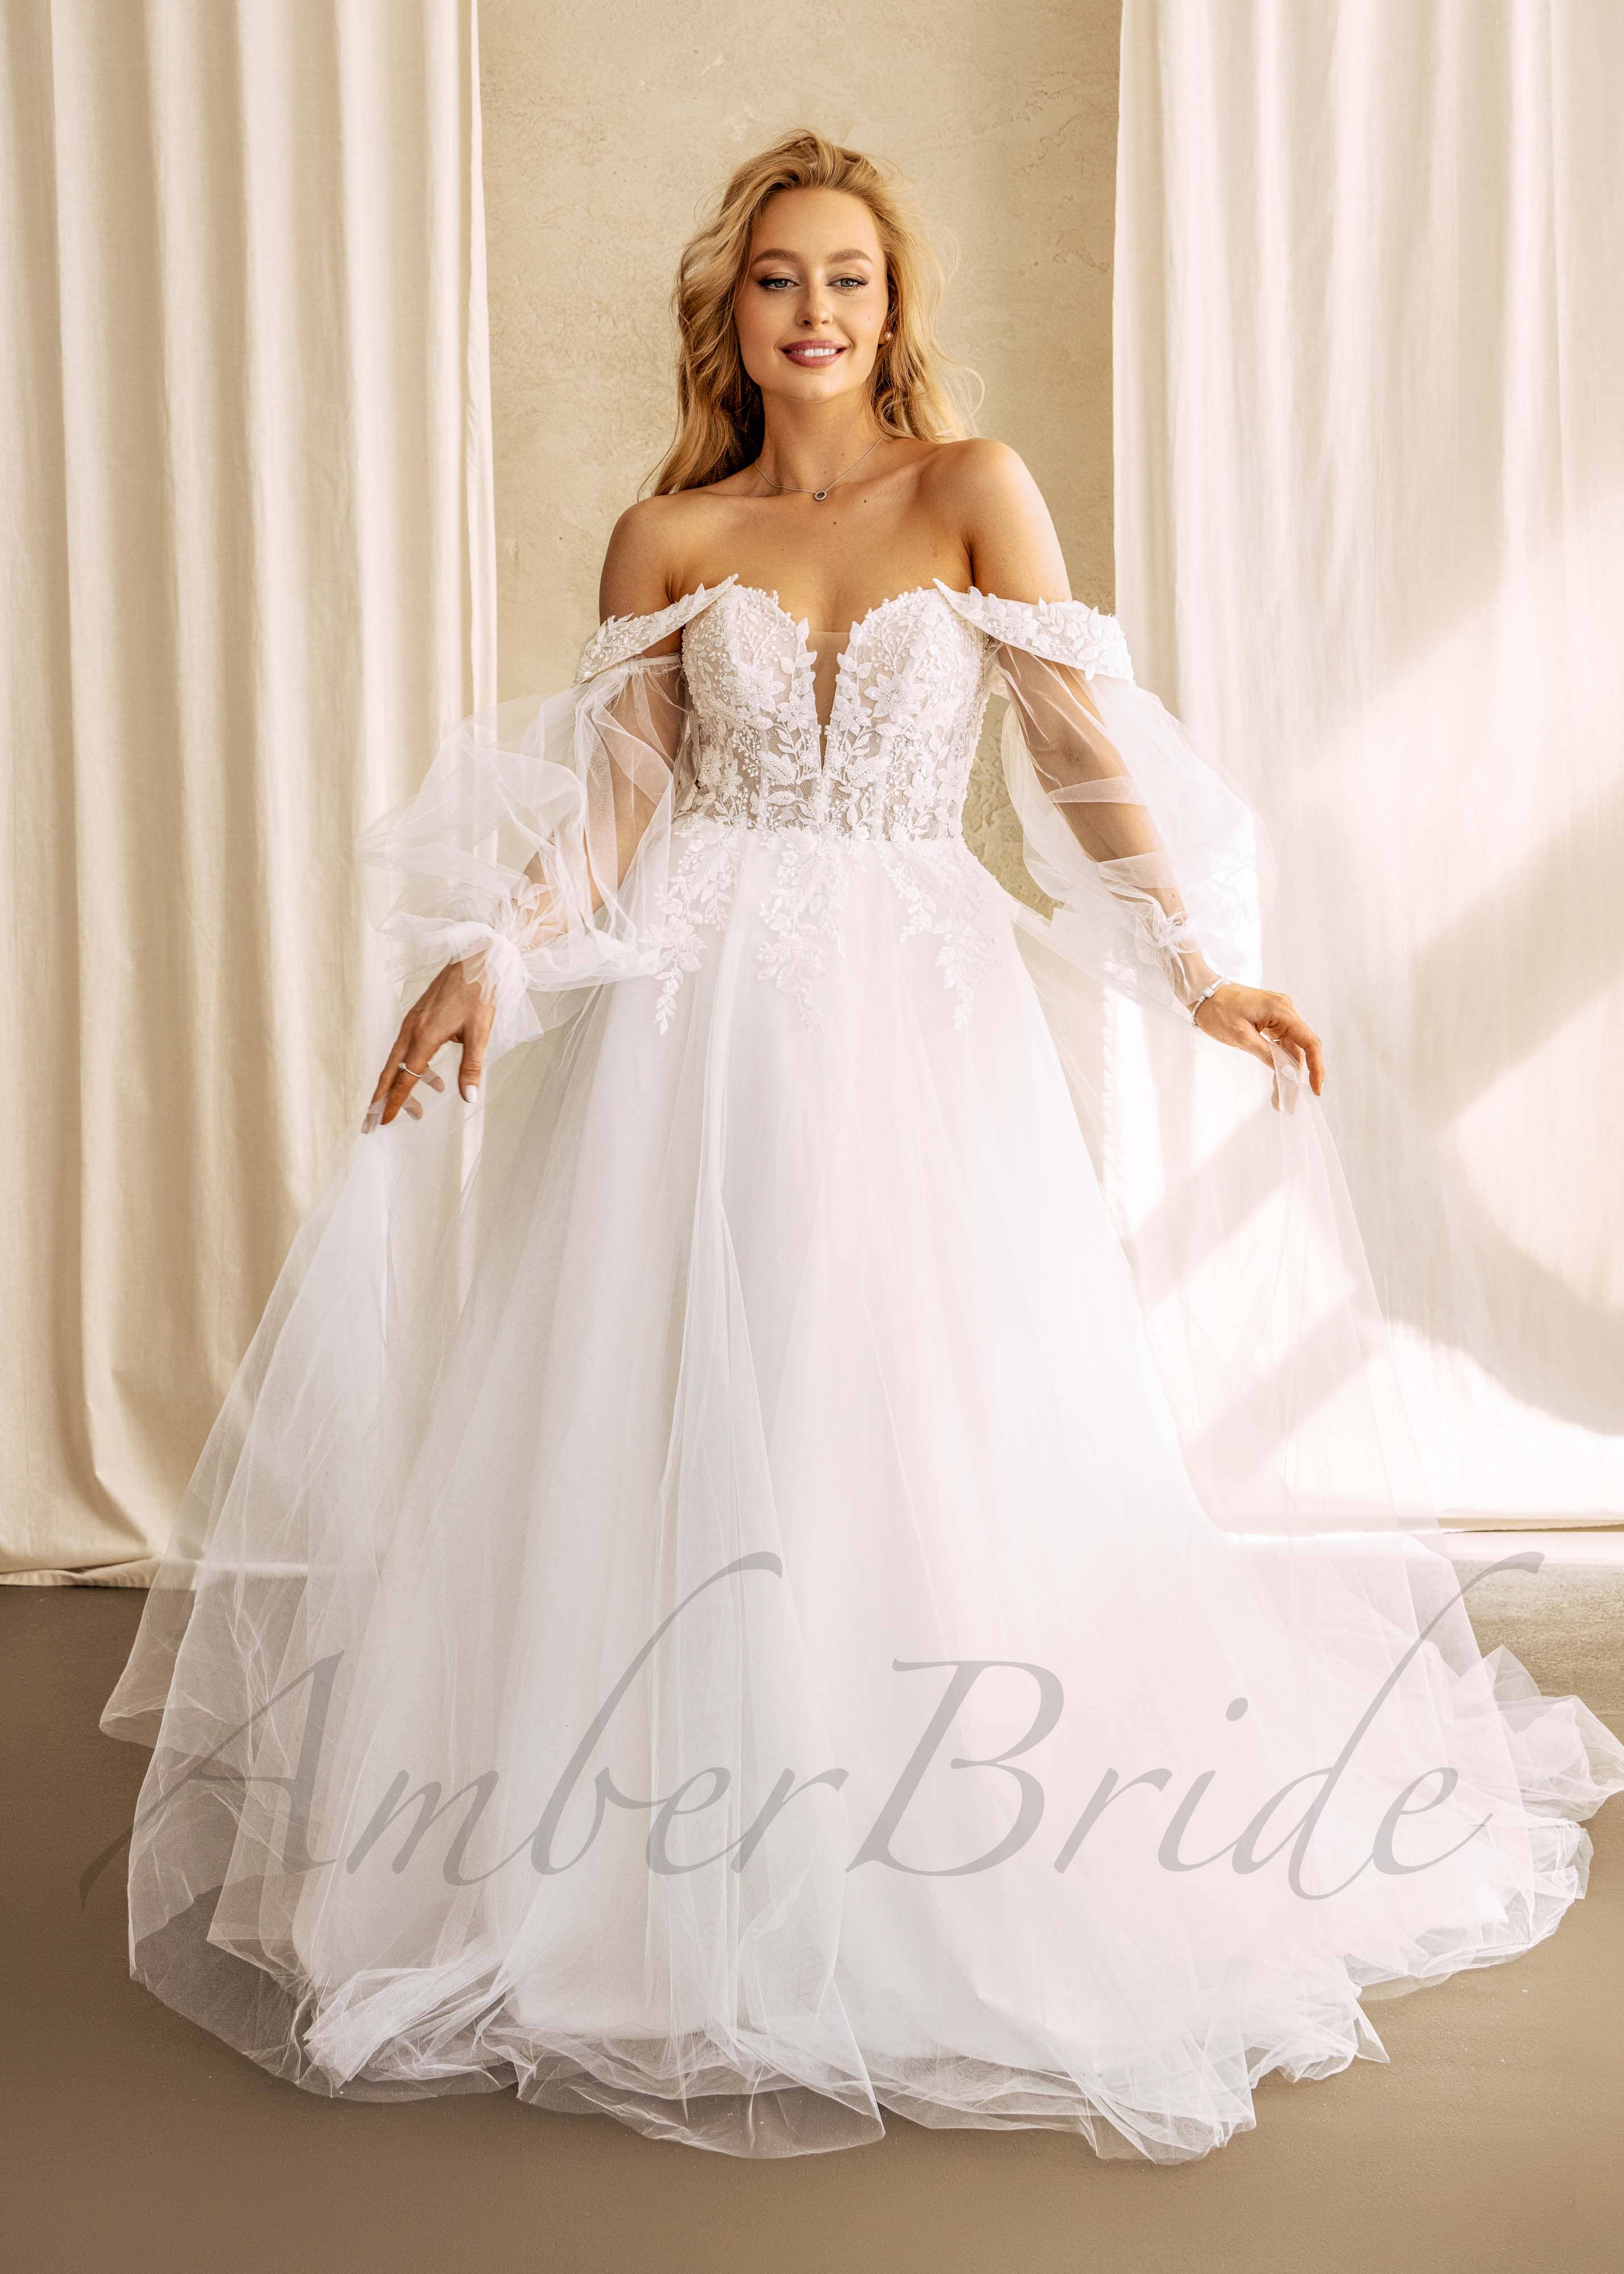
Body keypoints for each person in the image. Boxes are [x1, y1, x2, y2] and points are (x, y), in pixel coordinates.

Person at [102, 129, 1623, 2163]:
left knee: (903, 1393)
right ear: (727, 312)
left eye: (846, 277)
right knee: (691, 1391)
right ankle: (671, 1848)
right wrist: (491, 958)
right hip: (699, 1013)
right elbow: (614, 814)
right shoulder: (665, 533)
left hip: (920, 999)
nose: (812, 310)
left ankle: (926, 1828)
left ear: (892, 309)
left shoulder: (971, 489)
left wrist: (1197, 968)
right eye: (776, 278)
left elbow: (1074, 750)